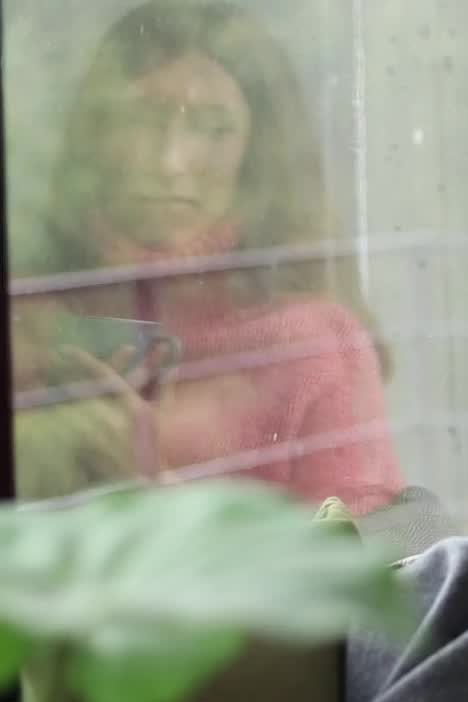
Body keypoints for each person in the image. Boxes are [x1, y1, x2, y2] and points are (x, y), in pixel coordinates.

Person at [11, 0, 402, 514]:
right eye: (144, 118)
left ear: (259, 152)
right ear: (95, 133)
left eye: (213, 127)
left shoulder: (312, 346)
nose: (172, 161)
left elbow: (354, 577)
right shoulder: (30, 311)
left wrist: (151, 489)